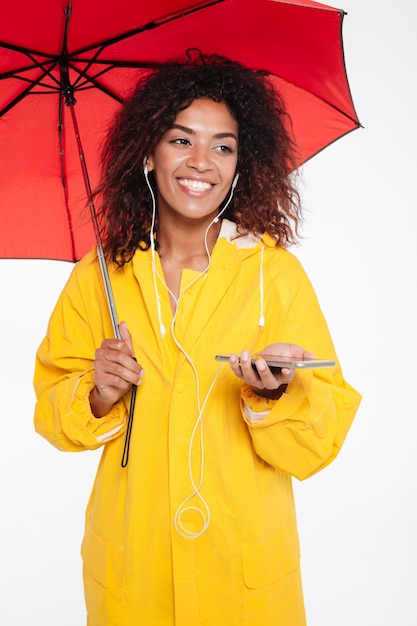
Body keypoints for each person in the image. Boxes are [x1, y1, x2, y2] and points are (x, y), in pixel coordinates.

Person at [34, 53, 361, 626]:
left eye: (223, 146)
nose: (201, 162)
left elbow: (321, 437)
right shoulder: (100, 277)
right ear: (148, 151)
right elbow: (52, 410)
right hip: (135, 567)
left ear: (242, 164)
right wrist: (98, 391)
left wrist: (272, 397)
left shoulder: (273, 275)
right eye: (181, 140)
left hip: (242, 572)